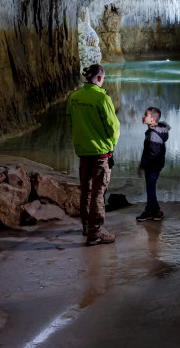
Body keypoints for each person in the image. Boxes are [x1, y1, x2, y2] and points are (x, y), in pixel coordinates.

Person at [66, 64, 120, 246]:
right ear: (99, 78)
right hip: (101, 153)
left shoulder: (74, 97)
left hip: (83, 152)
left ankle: (86, 226)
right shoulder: (101, 98)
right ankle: (95, 233)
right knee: (98, 192)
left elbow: (71, 122)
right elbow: (113, 128)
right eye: (103, 78)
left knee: (86, 190)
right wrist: (111, 145)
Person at [136, 107, 170, 222]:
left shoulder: (153, 134)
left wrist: (143, 164)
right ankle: (149, 210)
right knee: (150, 188)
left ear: (153, 119)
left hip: (153, 166)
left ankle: (156, 211)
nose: (143, 116)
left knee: (150, 189)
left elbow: (152, 154)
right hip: (154, 165)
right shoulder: (155, 131)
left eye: (146, 115)